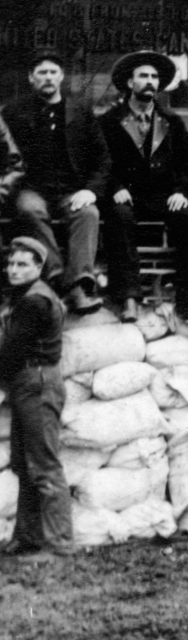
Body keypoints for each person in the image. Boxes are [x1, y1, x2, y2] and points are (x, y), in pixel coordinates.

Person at [98, 51, 188, 324]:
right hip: (125, 195)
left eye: (154, 77)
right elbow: (98, 162)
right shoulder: (109, 121)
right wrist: (114, 186)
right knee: (119, 217)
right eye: (143, 76)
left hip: (163, 196)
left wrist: (181, 192)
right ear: (129, 83)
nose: (150, 82)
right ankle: (129, 299)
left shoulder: (172, 120)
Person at [1, 51, 110, 315]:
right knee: (30, 211)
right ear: (31, 78)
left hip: (71, 190)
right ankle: (60, 277)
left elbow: (103, 158)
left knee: (88, 213)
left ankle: (80, 284)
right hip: (31, 188)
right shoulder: (14, 112)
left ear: (61, 77)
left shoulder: (80, 111)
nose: (48, 78)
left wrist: (90, 190)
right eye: (41, 73)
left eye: (52, 72)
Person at [0, 237, 74, 560]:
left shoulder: (35, 301)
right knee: (24, 463)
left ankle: (60, 544)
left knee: (43, 464)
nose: (13, 270)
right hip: (27, 381)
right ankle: (27, 537)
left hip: (38, 381)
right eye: (11, 263)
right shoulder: (26, 297)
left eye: (22, 264)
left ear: (38, 267)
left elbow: (12, 349)